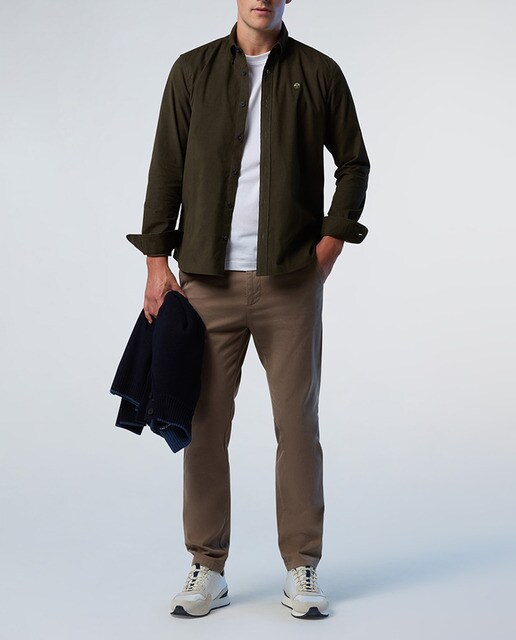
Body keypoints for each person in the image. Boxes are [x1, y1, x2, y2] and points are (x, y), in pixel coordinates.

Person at [126, 0, 370, 619]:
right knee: (205, 426)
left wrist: (329, 246)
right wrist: (156, 262)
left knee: (298, 425)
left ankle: (302, 565)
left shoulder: (319, 72)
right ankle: (207, 565)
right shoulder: (192, 71)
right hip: (207, 279)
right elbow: (166, 166)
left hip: (291, 279)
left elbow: (353, 163)